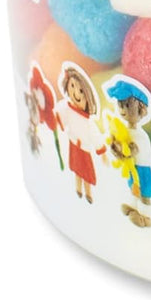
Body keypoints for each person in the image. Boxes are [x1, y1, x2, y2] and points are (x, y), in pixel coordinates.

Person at [104, 76, 151, 228]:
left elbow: (133, 150)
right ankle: (133, 207)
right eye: (120, 105)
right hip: (133, 168)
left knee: (144, 193)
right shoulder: (125, 130)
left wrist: (121, 149)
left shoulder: (140, 135)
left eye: (127, 105)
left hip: (142, 170)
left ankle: (146, 216)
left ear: (141, 109)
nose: (122, 110)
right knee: (133, 187)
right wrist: (115, 146)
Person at [56, 64, 106, 203]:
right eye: (72, 86)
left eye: (81, 91)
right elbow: (61, 113)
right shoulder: (68, 109)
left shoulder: (88, 122)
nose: (76, 94)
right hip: (74, 145)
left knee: (86, 172)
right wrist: (56, 118)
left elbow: (95, 135)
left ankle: (88, 193)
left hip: (84, 148)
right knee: (77, 170)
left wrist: (101, 150)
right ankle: (78, 189)